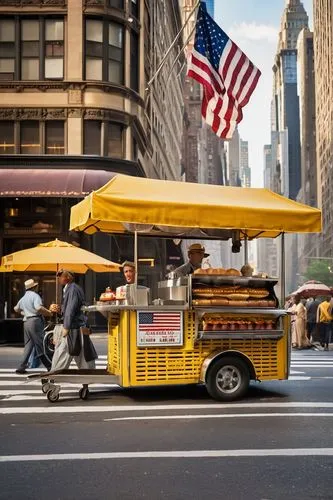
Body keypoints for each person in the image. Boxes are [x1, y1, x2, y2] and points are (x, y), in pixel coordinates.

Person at [49, 270, 97, 371]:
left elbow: (71, 308)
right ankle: (85, 383)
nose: (59, 278)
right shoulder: (69, 289)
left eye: (61, 276)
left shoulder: (73, 289)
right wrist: (60, 308)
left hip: (73, 328)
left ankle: (53, 377)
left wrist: (66, 327)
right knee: (83, 356)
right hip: (77, 327)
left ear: (68, 278)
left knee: (62, 355)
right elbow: (69, 308)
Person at [14, 279, 52, 374]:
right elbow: (38, 308)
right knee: (40, 344)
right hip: (35, 321)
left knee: (28, 345)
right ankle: (49, 366)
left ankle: (21, 367)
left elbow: (16, 308)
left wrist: (25, 313)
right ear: (34, 287)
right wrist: (49, 313)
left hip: (26, 322)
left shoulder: (24, 297)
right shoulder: (35, 296)